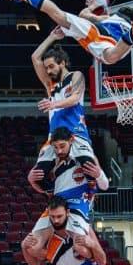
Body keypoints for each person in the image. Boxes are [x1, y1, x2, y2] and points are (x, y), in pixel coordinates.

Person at [0, 0, 133, 65]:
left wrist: (91, 6)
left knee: (57, 14)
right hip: (118, 40)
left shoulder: (108, 18)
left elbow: (83, 15)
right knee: (112, 56)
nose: (89, 0)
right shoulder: (114, 20)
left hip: (99, 34)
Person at [25, 125, 109, 245]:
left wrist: (99, 174)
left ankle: (93, 257)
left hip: (79, 204)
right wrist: (31, 180)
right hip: (58, 206)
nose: (59, 151)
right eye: (55, 147)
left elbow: (105, 186)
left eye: (62, 146)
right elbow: (44, 190)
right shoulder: (48, 160)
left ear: (71, 141)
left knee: (81, 246)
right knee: (33, 246)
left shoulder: (85, 156)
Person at [30, 33, 94, 175]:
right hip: (54, 137)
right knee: (39, 175)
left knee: (89, 171)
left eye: (51, 66)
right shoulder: (50, 84)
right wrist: (52, 37)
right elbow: (35, 58)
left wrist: (53, 104)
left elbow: (75, 99)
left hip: (76, 133)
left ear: (63, 63)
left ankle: (90, 194)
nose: (48, 71)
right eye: (46, 68)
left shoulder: (76, 76)